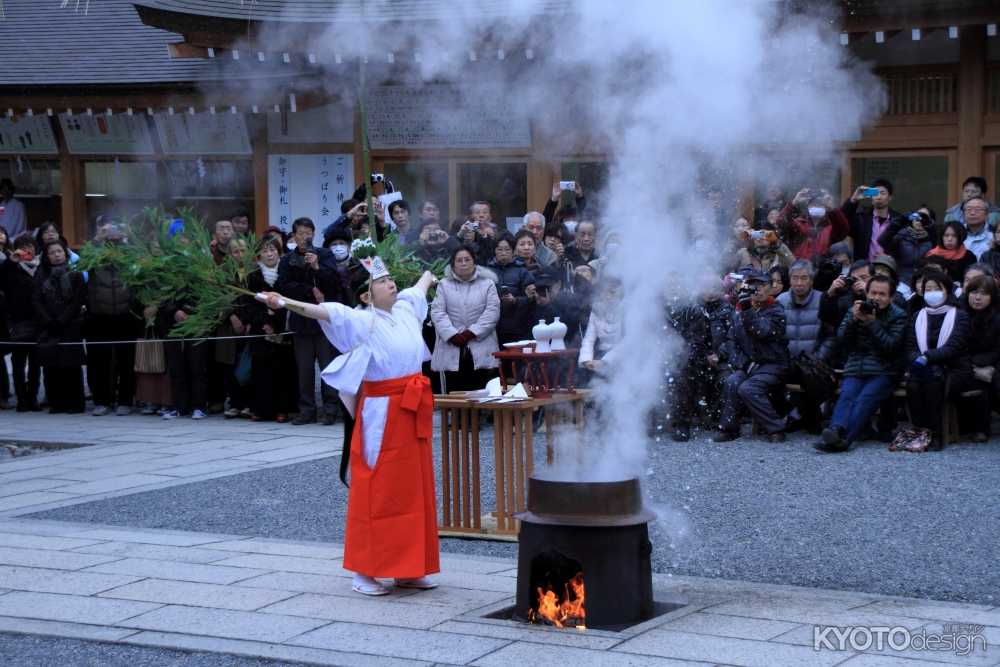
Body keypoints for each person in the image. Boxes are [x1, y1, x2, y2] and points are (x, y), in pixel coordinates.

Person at [257, 263, 441, 597]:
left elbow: (420, 286)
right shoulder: (359, 319)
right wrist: (282, 302)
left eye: (390, 279)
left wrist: (430, 274)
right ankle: (365, 570)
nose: (390, 284)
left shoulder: (405, 308)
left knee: (413, 488)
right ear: (366, 295)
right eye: (382, 282)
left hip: (411, 408)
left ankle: (408, 568)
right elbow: (322, 312)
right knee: (378, 488)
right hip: (382, 411)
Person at [815, 274, 906, 453]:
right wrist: (853, 321)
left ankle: (844, 440)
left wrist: (872, 324)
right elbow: (842, 341)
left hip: (884, 369)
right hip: (856, 366)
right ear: (866, 293)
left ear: (891, 297)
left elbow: (891, 347)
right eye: (873, 293)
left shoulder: (898, 316)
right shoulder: (854, 310)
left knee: (864, 399)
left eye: (882, 294)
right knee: (847, 395)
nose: (876, 298)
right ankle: (835, 430)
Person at [276, 217, 348, 425]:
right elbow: (284, 286)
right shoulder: (287, 260)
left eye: (308, 233)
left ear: (314, 234)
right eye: (300, 233)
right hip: (301, 320)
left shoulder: (324, 254)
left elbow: (335, 283)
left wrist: (317, 267)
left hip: (324, 322)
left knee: (328, 367)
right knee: (304, 369)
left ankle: (331, 409)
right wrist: (309, 289)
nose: (304, 237)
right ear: (294, 236)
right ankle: (307, 410)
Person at [713, 271, 789, 442]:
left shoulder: (777, 311)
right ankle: (729, 429)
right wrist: (743, 363)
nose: (758, 290)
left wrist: (747, 309)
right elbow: (731, 342)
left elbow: (762, 331)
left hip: (773, 364)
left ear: (771, 288)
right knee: (732, 382)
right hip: (749, 365)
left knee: (748, 388)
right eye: (754, 285)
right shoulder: (739, 311)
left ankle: (776, 428)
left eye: (762, 285)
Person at [903, 270, 972, 450]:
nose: (932, 293)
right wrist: (917, 358)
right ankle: (919, 432)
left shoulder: (960, 315)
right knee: (913, 385)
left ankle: (936, 434)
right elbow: (910, 347)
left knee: (934, 384)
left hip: (954, 367)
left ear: (947, 290)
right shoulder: (917, 316)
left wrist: (927, 357)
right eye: (928, 289)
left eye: (937, 288)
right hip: (922, 367)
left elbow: (953, 347)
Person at [85, 223, 139, 416]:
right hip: (100, 316)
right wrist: (97, 238)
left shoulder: (129, 252)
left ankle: (125, 400)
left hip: (126, 315)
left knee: (126, 361)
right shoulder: (95, 252)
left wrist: (131, 236)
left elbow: (143, 259)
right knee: (101, 362)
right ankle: (102, 401)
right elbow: (83, 262)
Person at [430, 247, 500, 392]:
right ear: (453, 265)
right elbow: (437, 312)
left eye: (467, 259)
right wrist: (452, 335)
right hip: (451, 345)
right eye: (459, 260)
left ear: (474, 263)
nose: (463, 263)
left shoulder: (487, 283)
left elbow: (492, 312)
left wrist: (471, 333)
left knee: (481, 392)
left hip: (481, 343)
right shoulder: (443, 284)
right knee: (455, 394)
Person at [244, 237, 297, 422]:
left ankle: (283, 409)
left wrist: (276, 323)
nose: (269, 254)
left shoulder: (286, 272)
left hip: (283, 328)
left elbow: (291, 300)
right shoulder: (253, 275)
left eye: (272, 250)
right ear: (260, 255)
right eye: (265, 251)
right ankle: (261, 409)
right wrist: (264, 322)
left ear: (279, 252)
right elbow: (249, 305)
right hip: (260, 329)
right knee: (261, 370)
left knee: (283, 370)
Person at [33, 240, 87, 413]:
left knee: (71, 366)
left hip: (70, 324)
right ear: (46, 256)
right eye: (52, 252)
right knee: (51, 366)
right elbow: (36, 299)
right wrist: (48, 320)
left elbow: (78, 299)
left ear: (65, 253)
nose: (56, 255)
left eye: (59, 252)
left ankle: (75, 404)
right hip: (48, 325)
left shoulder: (75, 273)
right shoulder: (40, 274)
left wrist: (63, 319)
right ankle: (56, 403)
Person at [959, 274, 1000, 442]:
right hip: (965, 365)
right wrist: (974, 368)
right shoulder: (958, 315)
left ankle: (982, 428)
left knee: (993, 381)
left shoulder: (997, 318)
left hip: (991, 364)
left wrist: (990, 368)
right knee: (978, 382)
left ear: (992, 297)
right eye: (974, 292)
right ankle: (978, 428)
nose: (977, 297)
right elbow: (955, 348)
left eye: (984, 293)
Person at [3, 234, 41, 411]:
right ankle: (21, 399)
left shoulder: (42, 266)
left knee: (35, 363)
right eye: (23, 246)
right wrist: (11, 262)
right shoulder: (11, 267)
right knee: (18, 363)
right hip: (18, 320)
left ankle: (33, 397)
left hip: (40, 320)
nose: (28, 249)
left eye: (31, 245)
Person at [487, 234, 536, 345]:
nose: (503, 253)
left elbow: (531, 299)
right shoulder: (487, 271)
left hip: (519, 325)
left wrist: (515, 300)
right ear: (495, 251)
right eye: (500, 249)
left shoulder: (522, 271)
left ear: (513, 251)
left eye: (507, 249)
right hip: (494, 326)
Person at [776, 189, 850, 262]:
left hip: (823, 269)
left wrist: (833, 209)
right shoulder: (798, 224)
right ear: (808, 207)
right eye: (813, 204)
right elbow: (781, 222)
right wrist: (793, 204)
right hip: (800, 269)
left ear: (826, 208)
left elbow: (843, 229)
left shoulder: (831, 227)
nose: (817, 207)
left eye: (820, 205)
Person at [843, 179, 905, 262]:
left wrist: (890, 256)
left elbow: (904, 248)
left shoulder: (898, 220)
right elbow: (842, 222)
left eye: (883, 193)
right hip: (863, 270)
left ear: (890, 197)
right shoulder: (861, 218)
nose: (879, 197)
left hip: (888, 269)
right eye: (875, 193)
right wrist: (854, 199)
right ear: (871, 196)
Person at [877, 210, 936, 288]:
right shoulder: (901, 236)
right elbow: (882, 240)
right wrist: (900, 220)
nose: (919, 222)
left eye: (922, 219)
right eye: (916, 219)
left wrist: (931, 226)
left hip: (924, 282)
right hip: (901, 282)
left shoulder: (931, 239)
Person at [923, 221, 976, 285]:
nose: (950, 239)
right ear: (941, 237)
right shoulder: (931, 256)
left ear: (961, 237)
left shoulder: (969, 256)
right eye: (946, 235)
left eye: (954, 236)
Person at [959, 195, 993, 259]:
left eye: (978, 209)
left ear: (987, 214)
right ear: (963, 214)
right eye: (969, 209)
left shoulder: (994, 233)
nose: (972, 213)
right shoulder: (956, 232)